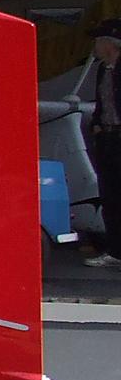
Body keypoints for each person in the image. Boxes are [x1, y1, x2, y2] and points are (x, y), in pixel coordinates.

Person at [85, 20, 121, 267]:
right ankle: (115, 251)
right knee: (109, 194)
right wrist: (96, 125)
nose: (95, 46)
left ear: (110, 43)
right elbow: (101, 103)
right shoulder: (101, 69)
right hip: (107, 137)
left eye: (99, 41)